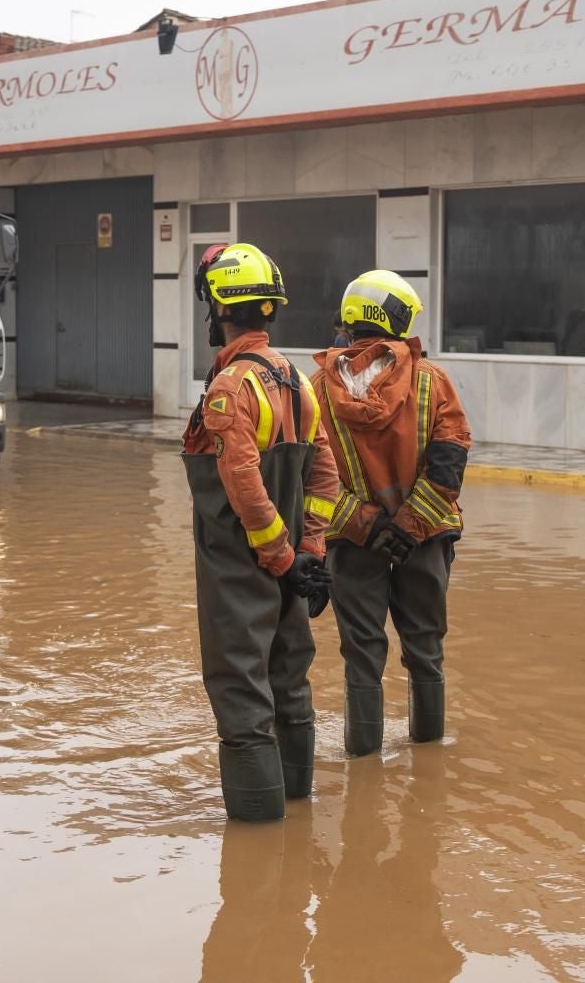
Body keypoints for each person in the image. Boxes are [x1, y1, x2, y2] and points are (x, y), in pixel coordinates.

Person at [182, 242, 340, 822]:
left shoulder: (231, 388)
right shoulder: (297, 380)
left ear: (220, 309)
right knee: (289, 673)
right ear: (268, 308)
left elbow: (243, 480)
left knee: (240, 685)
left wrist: (278, 556)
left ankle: (257, 829)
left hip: (242, 566)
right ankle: (297, 804)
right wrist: (310, 551)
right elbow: (325, 471)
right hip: (291, 564)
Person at [310, 270, 470, 756]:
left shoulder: (314, 388)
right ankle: (428, 758)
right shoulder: (432, 382)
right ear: (398, 317)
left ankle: (364, 765)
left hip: (354, 549)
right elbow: (449, 463)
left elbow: (311, 480)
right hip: (424, 543)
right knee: (426, 652)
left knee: (362, 658)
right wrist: (407, 528)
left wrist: (371, 528)